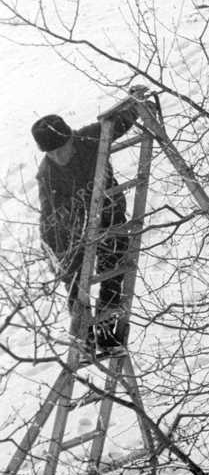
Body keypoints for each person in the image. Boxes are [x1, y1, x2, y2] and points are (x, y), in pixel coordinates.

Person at [32, 102, 138, 356]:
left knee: (113, 265)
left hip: (109, 218)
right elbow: (49, 219)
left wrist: (137, 104)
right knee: (73, 278)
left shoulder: (89, 138)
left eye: (61, 149)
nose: (59, 157)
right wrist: (55, 252)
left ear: (70, 138)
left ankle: (107, 327)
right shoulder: (47, 174)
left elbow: (118, 123)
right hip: (77, 234)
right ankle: (84, 336)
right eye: (51, 153)